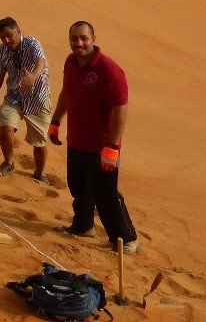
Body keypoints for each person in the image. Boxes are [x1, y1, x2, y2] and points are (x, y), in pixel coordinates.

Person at [48, 20, 139, 253]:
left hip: (102, 145)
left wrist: (112, 147)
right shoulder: (70, 63)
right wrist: (56, 121)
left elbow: (121, 109)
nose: (79, 43)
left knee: (105, 194)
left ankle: (126, 238)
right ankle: (82, 227)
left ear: (93, 39)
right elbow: (67, 92)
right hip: (77, 140)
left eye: (83, 38)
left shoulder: (109, 71)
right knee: (78, 187)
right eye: (74, 38)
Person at [0, 16, 53, 181]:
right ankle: (8, 163)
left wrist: (33, 76)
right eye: (2, 37)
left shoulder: (32, 43)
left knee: (39, 142)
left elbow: (40, 61)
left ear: (18, 31)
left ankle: (39, 172)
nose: (6, 40)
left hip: (37, 98)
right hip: (14, 96)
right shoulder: (0, 51)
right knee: (5, 124)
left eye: (9, 35)